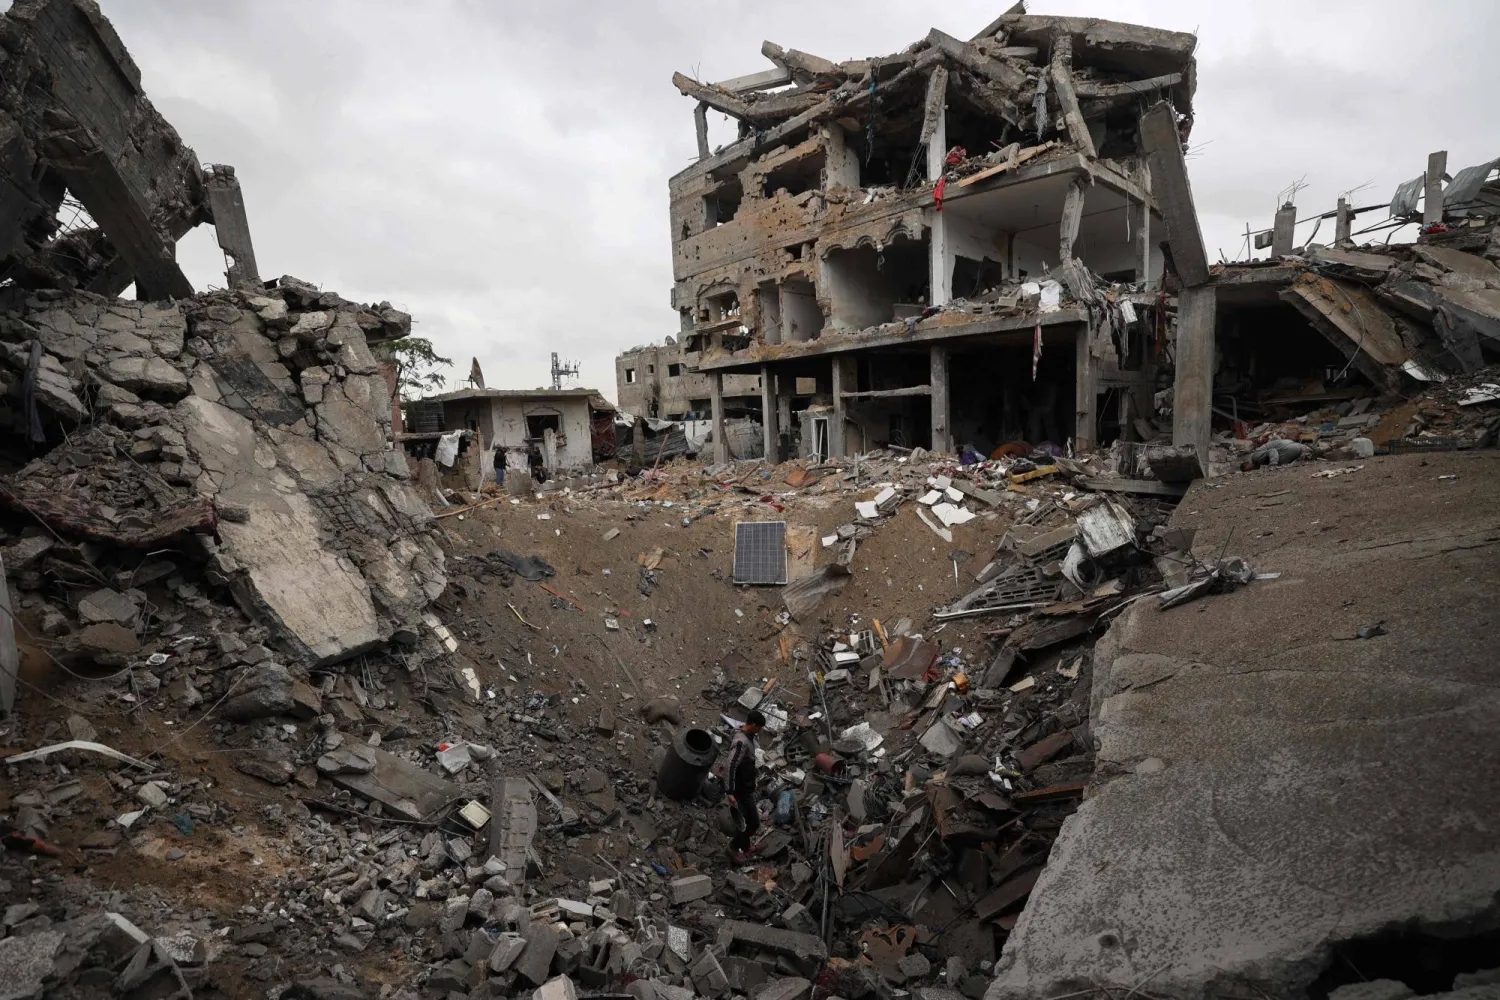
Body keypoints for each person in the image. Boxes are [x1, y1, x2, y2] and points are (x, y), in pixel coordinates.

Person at [725, 710, 765, 862]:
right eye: (759, 727)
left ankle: (746, 847)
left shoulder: (748, 736)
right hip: (740, 790)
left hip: (746, 788)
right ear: (753, 725)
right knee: (751, 822)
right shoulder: (741, 741)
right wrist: (729, 791)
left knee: (751, 820)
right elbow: (731, 765)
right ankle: (733, 848)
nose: (760, 731)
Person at [1242, 438, 1309, 472]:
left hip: (1289, 448)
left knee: (1278, 461)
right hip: (1295, 445)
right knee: (1312, 452)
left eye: (1249, 469)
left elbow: (1272, 451)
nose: (1251, 470)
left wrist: (1272, 465)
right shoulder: (1257, 455)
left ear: (1247, 464)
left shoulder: (1255, 458)